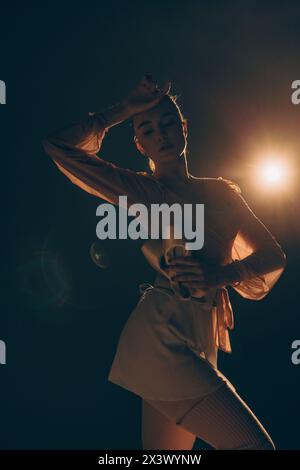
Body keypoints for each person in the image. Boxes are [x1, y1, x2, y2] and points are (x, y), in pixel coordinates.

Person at [42, 74, 286, 450]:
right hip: (163, 337)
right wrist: (122, 110)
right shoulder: (142, 191)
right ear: (140, 145)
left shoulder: (223, 192)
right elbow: (58, 145)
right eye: (149, 130)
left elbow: (273, 256)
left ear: (184, 127)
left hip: (201, 337)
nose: (163, 134)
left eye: (169, 123)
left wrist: (221, 274)